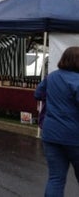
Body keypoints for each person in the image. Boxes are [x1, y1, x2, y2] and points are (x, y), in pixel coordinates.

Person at [34, 46, 79, 196]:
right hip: (74, 136)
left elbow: (38, 93)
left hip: (51, 133)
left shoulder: (52, 76)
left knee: (56, 178)